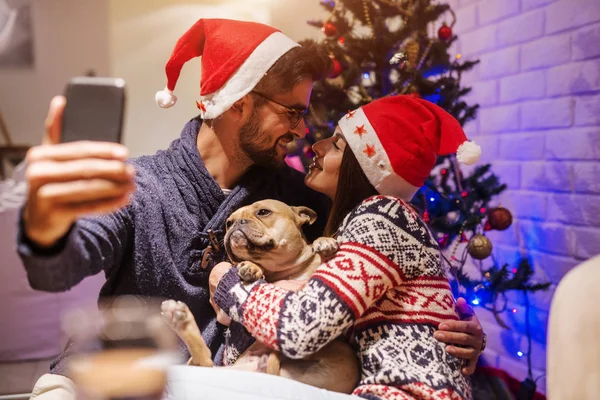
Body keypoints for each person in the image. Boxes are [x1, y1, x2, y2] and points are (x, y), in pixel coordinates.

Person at [18, 18, 483, 396]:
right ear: (239, 102)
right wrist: (45, 227)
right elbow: (54, 271)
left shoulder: (300, 200)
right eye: (292, 112)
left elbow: (370, 279)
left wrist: (454, 324)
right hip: (138, 379)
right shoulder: (142, 184)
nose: (302, 131)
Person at [211, 95, 483, 399]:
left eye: (337, 145)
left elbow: (300, 329)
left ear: (364, 166)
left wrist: (228, 282)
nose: (317, 145)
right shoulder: (352, 222)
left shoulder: (382, 217)